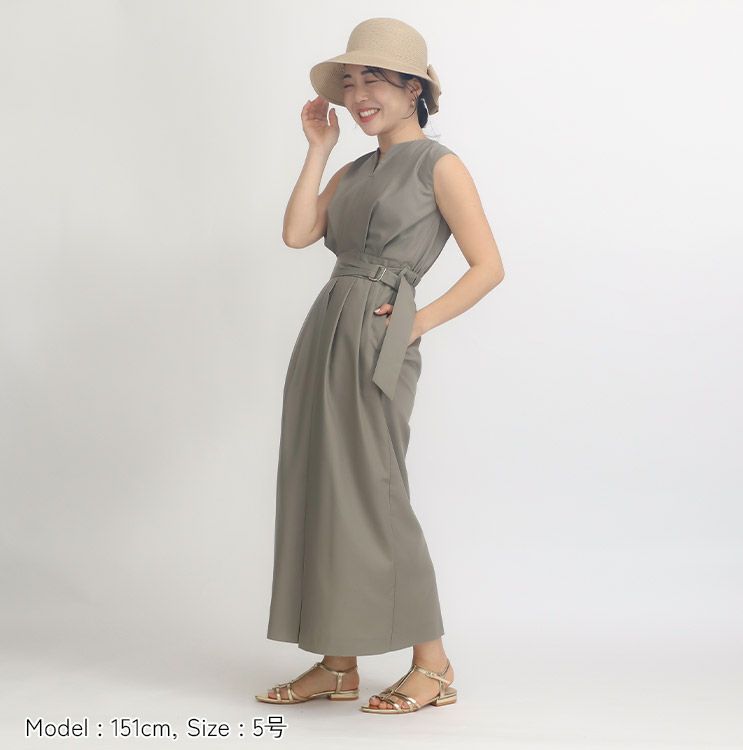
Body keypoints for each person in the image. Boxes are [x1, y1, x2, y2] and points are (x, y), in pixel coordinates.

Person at [255, 17, 504, 714]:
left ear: (413, 88)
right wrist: (318, 149)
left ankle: (434, 665)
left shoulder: (439, 166)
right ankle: (338, 664)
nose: (359, 94)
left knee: (375, 491)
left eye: (375, 79)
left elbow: (489, 267)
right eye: (351, 81)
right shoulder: (354, 169)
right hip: (327, 326)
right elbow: (298, 233)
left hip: (379, 336)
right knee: (320, 484)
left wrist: (416, 323)